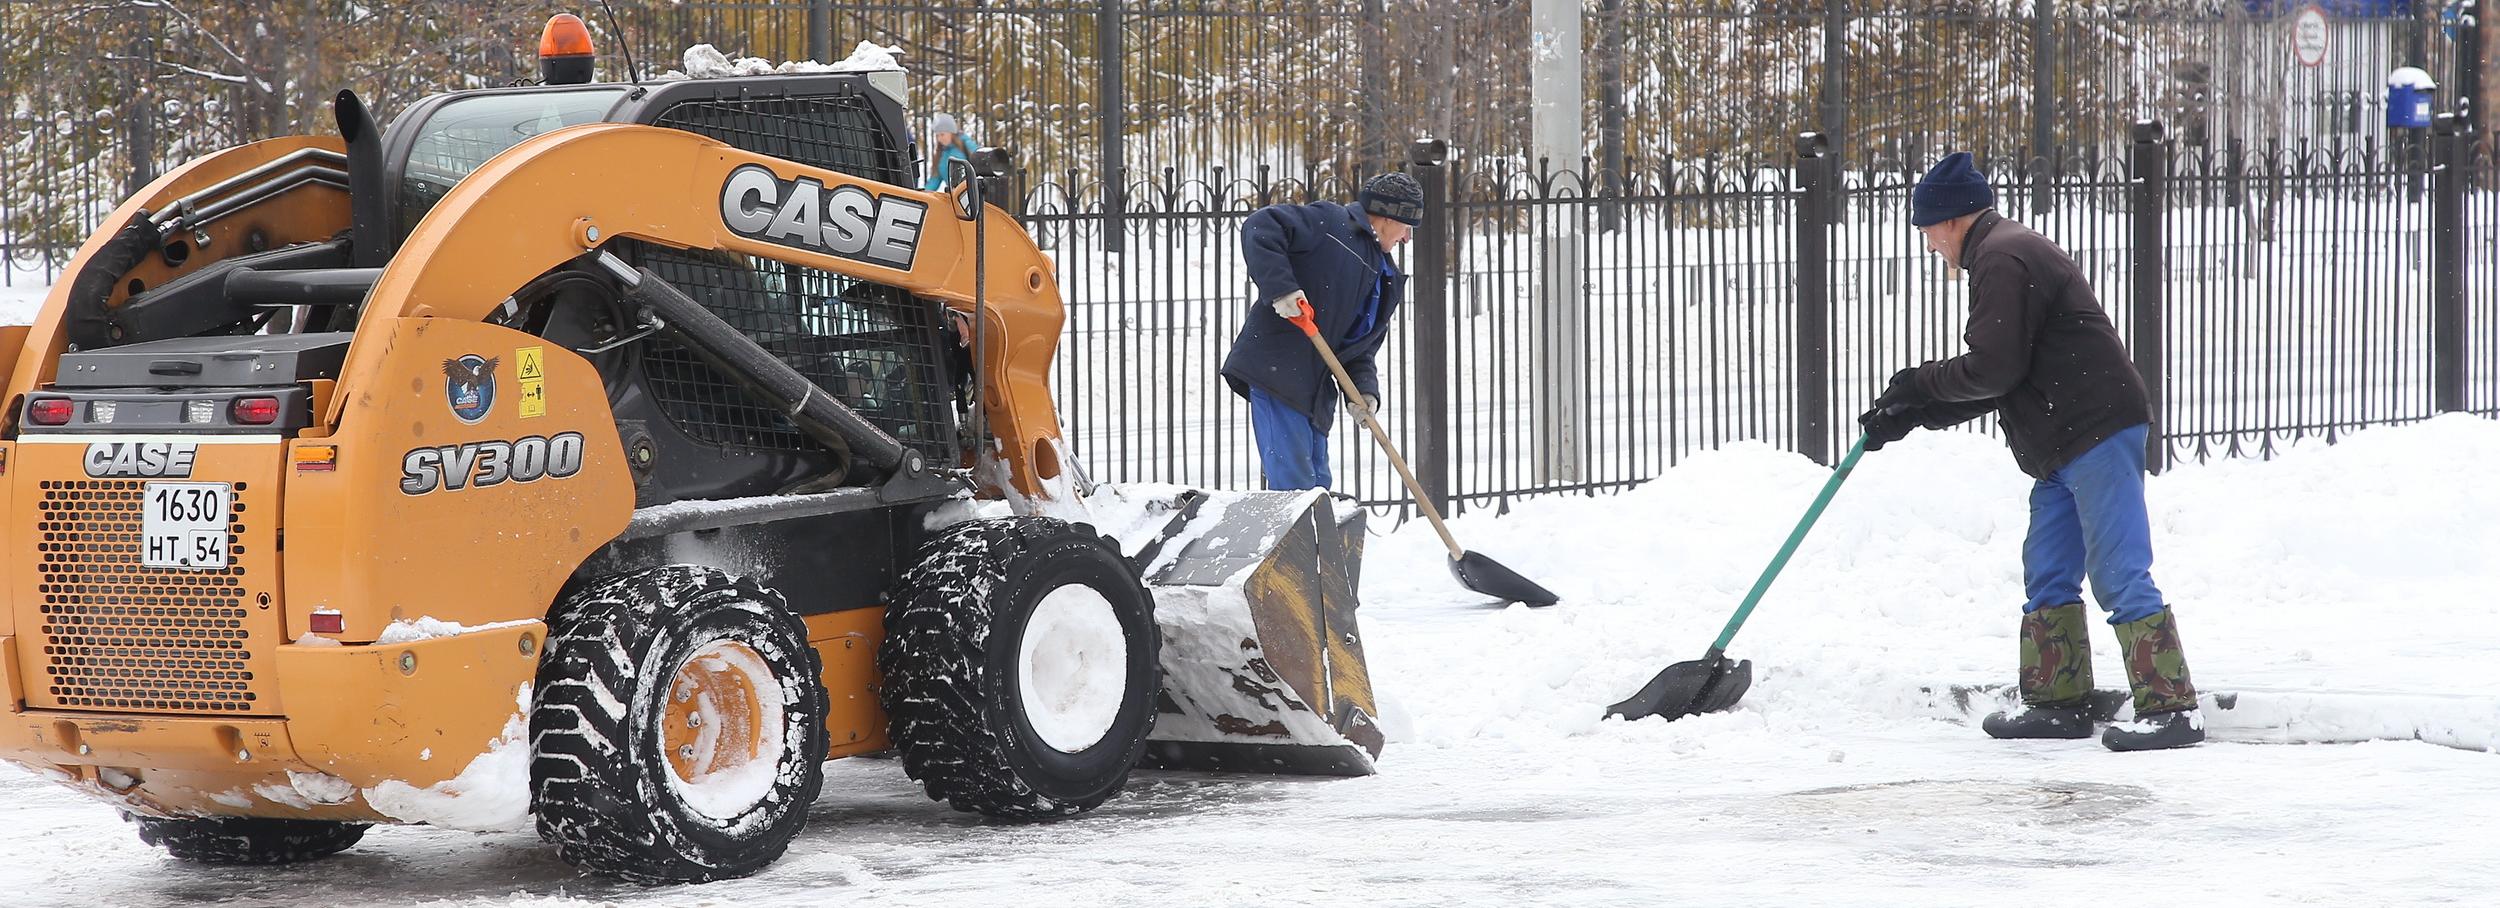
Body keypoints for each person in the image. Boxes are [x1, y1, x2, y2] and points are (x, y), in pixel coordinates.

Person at [1858, 151, 2202, 752]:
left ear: (1948, 221)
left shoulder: (2001, 257)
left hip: (2094, 429)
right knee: (2047, 570)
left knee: (2118, 570)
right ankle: (2058, 698)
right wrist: (1915, 412)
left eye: (1927, 232)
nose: (1929, 246)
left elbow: (1994, 369)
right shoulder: (2000, 252)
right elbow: (2005, 375)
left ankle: (2171, 708)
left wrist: (1920, 384)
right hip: (2061, 441)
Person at [1219, 172, 1423, 490]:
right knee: (1295, 487)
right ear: (1386, 215)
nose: (1407, 238)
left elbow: (1359, 346)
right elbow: (1261, 226)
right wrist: (1282, 290)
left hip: (1314, 392)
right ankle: (1295, 540)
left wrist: (1364, 389)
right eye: (1406, 226)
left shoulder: (1386, 278)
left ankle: (1317, 541)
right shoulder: (1332, 224)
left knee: (1318, 487)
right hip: (1278, 372)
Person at [921, 113, 978, 192]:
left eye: (942, 134)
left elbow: (981, 164)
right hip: (954, 197)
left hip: (972, 196)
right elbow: (935, 178)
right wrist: (924, 194)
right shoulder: (941, 153)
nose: (939, 139)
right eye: (937, 136)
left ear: (951, 132)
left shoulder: (967, 145)